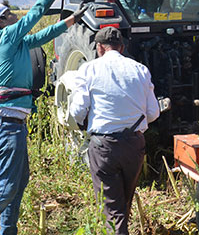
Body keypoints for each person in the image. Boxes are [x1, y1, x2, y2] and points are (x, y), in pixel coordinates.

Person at [0, 0, 86, 235]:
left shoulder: (17, 43)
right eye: (9, 13)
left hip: (13, 122)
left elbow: (44, 35)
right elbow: (36, 14)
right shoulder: (4, 37)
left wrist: (71, 20)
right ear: (0, 21)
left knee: (19, 181)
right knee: (7, 185)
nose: (15, 16)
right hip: (5, 122)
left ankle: (8, 231)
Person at [69, 27, 160, 235]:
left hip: (104, 148)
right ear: (122, 47)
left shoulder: (89, 69)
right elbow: (153, 113)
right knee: (123, 204)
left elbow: (77, 110)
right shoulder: (140, 69)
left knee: (112, 210)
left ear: (100, 47)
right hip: (134, 146)